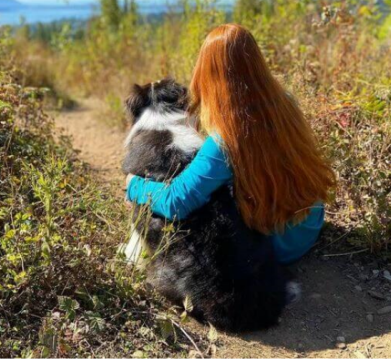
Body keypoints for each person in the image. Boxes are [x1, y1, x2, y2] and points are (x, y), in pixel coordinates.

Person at [125, 23, 336, 264]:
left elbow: (177, 201)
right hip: (308, 228)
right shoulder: (286, 104)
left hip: (274, 248)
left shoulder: (226, 139)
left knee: (194, 202)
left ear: (209, 74)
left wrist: (134, 185)